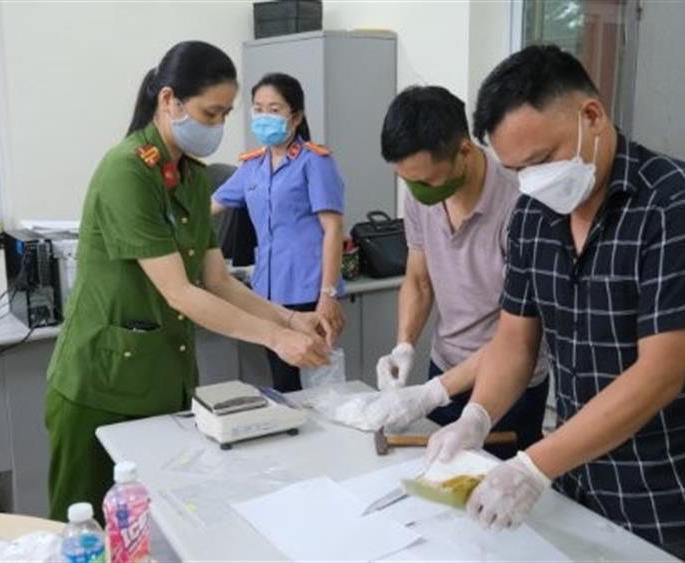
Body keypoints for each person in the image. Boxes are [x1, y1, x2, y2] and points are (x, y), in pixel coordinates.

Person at [424, 45, 685, 563]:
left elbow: (659, 376)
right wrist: (478, 415)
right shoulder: (533, 214)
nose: (532, 181)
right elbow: (515, 340)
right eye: (517, 170)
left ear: (591, 116)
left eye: (541, 161)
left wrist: (532, 466)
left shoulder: (680, 204)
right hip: (578, 476)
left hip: (671, 489)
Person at [46, 42, 331, 523]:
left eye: (224, 114)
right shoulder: (127, 172)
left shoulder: (191, 178)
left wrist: (289, 317)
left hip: (164, 382)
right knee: (85, 531)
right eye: (210, 112)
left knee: (153, 530)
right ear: (170, 101)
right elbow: (180, 291)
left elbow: (217, 279)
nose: (218, 126)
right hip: (102, 386)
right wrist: (276, 338)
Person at [359, 86, 549, 460]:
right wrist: (404, 346)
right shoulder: (420, 194)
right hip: (444, 366)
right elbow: (418, 279)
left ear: (464, 150)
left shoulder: (521, 206)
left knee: (497, 500)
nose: (417, 191)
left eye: (427, 181)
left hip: (509, 384)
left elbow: (519, 337)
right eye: (408, 181)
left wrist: (431, 393)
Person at [212, 73, 346, 392]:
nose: (264, 117)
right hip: (266, 295)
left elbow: (333, 228)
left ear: (295, 116)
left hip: (307, 290)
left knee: (312, 383)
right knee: (282, 382)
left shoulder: (315, 161)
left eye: (274, 109)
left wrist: (327, 295)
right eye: (258, 109)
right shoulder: (252, 166)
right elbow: (209, 206)